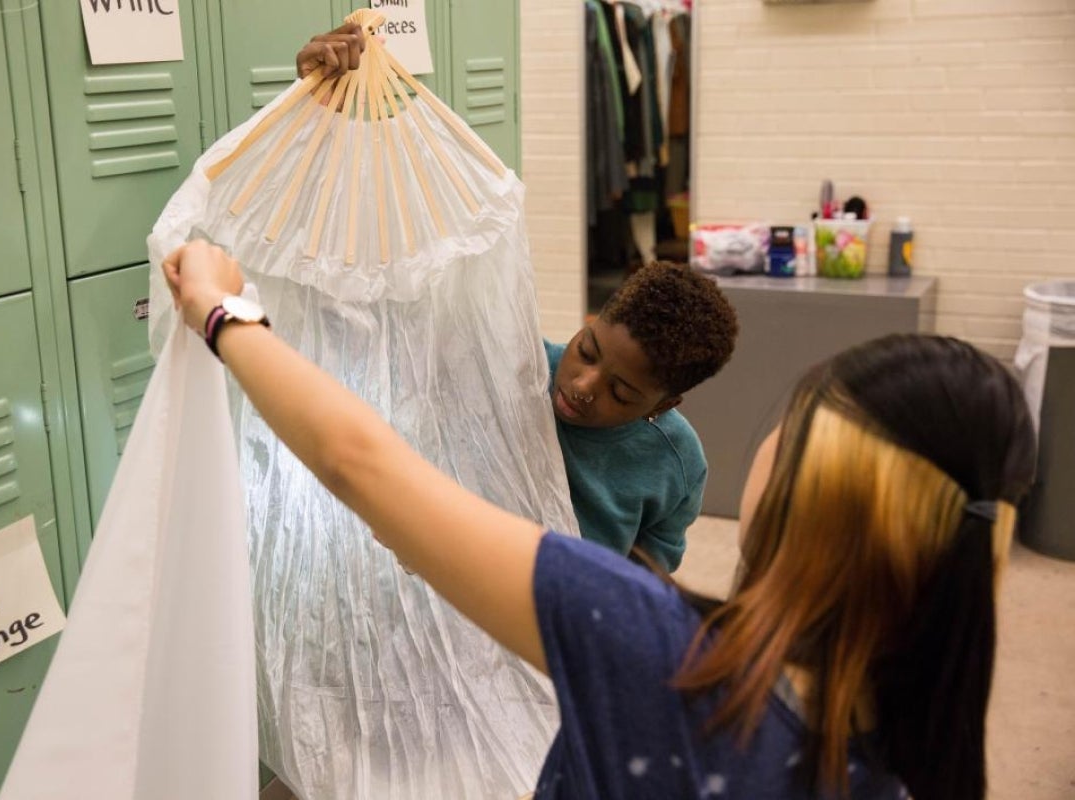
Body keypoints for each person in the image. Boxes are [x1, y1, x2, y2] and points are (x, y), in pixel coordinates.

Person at [162, 240, 1035, 800]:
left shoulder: (644, 639)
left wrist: (221, 310)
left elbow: (359, 461)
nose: (583, 388)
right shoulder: (914, 742)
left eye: (787, 423)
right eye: (585, 355)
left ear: (808, 482)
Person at [296, 27, 739, 575]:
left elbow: (649, 572)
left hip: (562, 631)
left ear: (661, 406)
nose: (581, 386)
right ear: (588, 323)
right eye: (588, 351)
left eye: (621, 392)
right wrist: (323, 108)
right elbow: (366, 297)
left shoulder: (675, 461)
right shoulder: (511, 368)